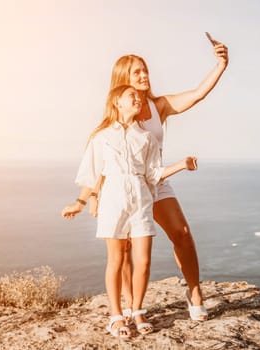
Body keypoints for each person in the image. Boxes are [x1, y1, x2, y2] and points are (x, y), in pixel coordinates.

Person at [89, 35, 228, 322]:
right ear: (122, 80)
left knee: (182, 233)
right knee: (124, 247)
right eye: (137, 71)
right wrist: (94, 195)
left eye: (145, 70)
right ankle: (130, 304)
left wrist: (221, 64)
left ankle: (194, 291)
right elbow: (100, 160)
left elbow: (198, 93)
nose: (144, 75)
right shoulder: (115, 115)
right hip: (124, 188)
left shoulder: (158, 106)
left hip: (157, 181)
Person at [61, 85, 198, 338]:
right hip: (112, 201)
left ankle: (137, 310)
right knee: (117, 259)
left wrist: (181, 165)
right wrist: (79, 204)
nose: (138, 99)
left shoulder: (147, 138)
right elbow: (91, 175)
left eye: (139, 96)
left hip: (141, 200)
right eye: (131, 96)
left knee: (143, 261)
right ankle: (115, 315)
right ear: (117, 103)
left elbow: (153, 174)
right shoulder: (101, 137)